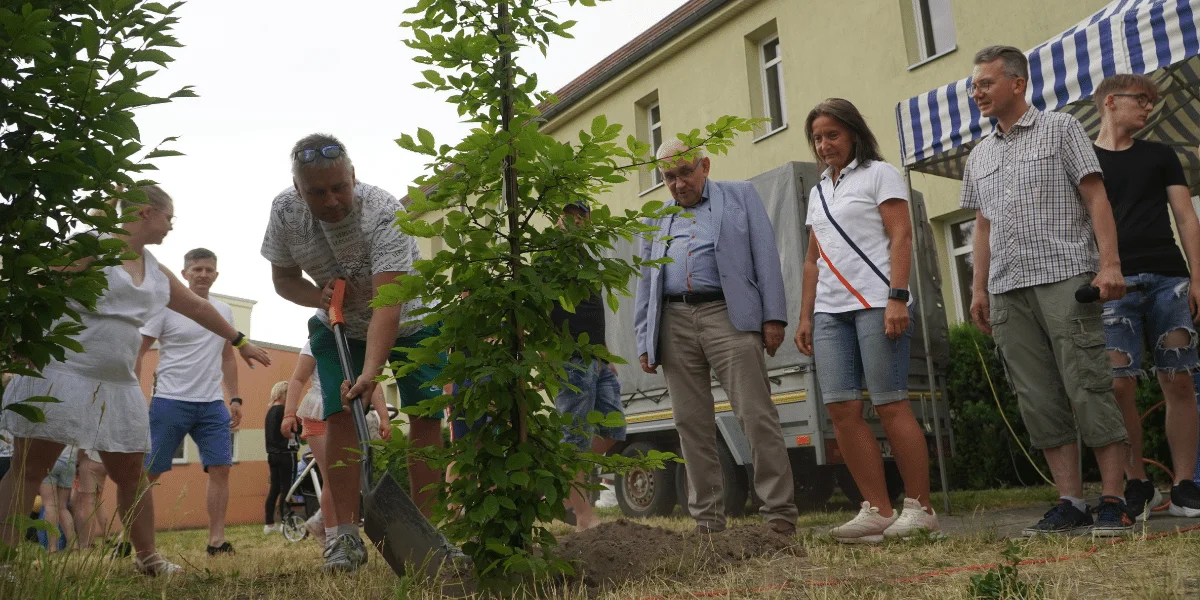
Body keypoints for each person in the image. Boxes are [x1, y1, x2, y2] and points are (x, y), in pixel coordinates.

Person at [0, 185, 271, 575]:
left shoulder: (156, 271)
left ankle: (148, 558)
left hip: (118, 384)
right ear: (146, 212)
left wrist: (239, 339)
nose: (171, 227)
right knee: (29, 468)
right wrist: (21, 345)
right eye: (169, 218)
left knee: (132, 474)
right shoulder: (89, 248)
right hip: (60, 373)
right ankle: (4, 559)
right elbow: (38, 287)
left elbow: (196, 307)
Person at [962, 46, 1133, 537]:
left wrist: (1110, 265)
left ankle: (1114, 500)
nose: (977, 93)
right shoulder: (980, 154)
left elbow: (1096, 196)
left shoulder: (1061, 128)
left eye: (986, 84)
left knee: (1087, 384)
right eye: (974, 86)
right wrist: (978, 288)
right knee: (1037, 397)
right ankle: (1070, 501)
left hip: (1064, 277)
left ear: (1017, 83)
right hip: (1006, 289)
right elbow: (981, 227)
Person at [261, 133, 433, 572]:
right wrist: (316, 298)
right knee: (337, 412)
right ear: (299, 190)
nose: (333, 199)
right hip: (336, 322)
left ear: (353, 176)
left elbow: (388, 305)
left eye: (340, 186)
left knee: (429, 414)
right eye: (318, 191)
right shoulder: (285, 212)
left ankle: (428, 534)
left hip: (410, 318)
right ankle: (344, 539)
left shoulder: (383, 211)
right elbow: (283, 279)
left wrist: (371, 373)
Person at [634, 138, 798, 536]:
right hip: (673, 320)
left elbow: (766, 256)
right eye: (669, 177)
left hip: (729, 314)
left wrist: (773, 317)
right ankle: (707, 522)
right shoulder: (654, 217)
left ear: (704, 166)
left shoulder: (740, 196)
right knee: (691, 424)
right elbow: (645, 279)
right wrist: (644, 338)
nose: (678, 183)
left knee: (755, 415)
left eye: (685, 172)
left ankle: (778, 513)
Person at [794, 98, 939, 542]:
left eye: (832, 135)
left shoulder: (880, 173)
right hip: (829, 312)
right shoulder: (818, 191)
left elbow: (902, 234)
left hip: (878, 302)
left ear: (854, 133)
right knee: (840, 408)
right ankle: (876, 510)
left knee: (890, 402)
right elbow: (813, 260)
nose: (824, 145)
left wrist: (897, 297)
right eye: (817, 138)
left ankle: (920, 508)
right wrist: (805, 315)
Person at [1091, 74, 1200, 519]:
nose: (1149, 109)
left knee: (1178, 379)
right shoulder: (1083, 158)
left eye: (1152, 103)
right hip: (1113, 284)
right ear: (1111, 101)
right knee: (1118, 385)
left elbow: (1187, 217)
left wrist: (1198, 277)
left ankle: (1185, 484)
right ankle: (1138, 483)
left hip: (1169, 278)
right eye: (1143, 100)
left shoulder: (1160, 154)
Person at [136, 247, 244, 556]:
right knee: (150, 471)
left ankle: (217, 541)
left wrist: (234, 396)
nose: (203, 274)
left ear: (216, 274)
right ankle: (129, 539)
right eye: (197, 269)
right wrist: (134, 390)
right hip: (169, 401)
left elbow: (227, 355)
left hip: (211, 404)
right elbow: (140, 349)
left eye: (209, 269)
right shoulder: (165, 307)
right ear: (184, 274)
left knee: (221, 468)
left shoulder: (223, 311)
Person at [550, 200, 626, 532]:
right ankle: (583, 516)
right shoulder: (549, 261)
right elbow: (541, 313)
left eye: (581, 216)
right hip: (570, 359)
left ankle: (563, 482)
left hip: (597, 358)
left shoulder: (589, 262)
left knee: (613, 428)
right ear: (557, 221)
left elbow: (596, 313)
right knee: (575, 438)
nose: (575, 221)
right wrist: (548, 360)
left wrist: (607, 354)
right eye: (568, 216)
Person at [263, 381, 296, 533]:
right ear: (284, 394)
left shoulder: (270, 412)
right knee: (287, 489)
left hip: (272, 454)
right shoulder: (284, 411)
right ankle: (285, 521)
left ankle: (269, 524)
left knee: (274, 489)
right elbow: (296, 429)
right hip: (286, 453)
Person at [72, 448, 112, 549]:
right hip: (104, 462)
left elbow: (82, 446)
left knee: (87, 503)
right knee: (96, 501)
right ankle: (108, 536)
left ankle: (87, 543)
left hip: (88, 461)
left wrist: (77, 463)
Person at [38, 447, 76, 552]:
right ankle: (74, 545)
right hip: (69, 462)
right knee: (62, 507)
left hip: (49, 461)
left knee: (50, 506)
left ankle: (52, 547)